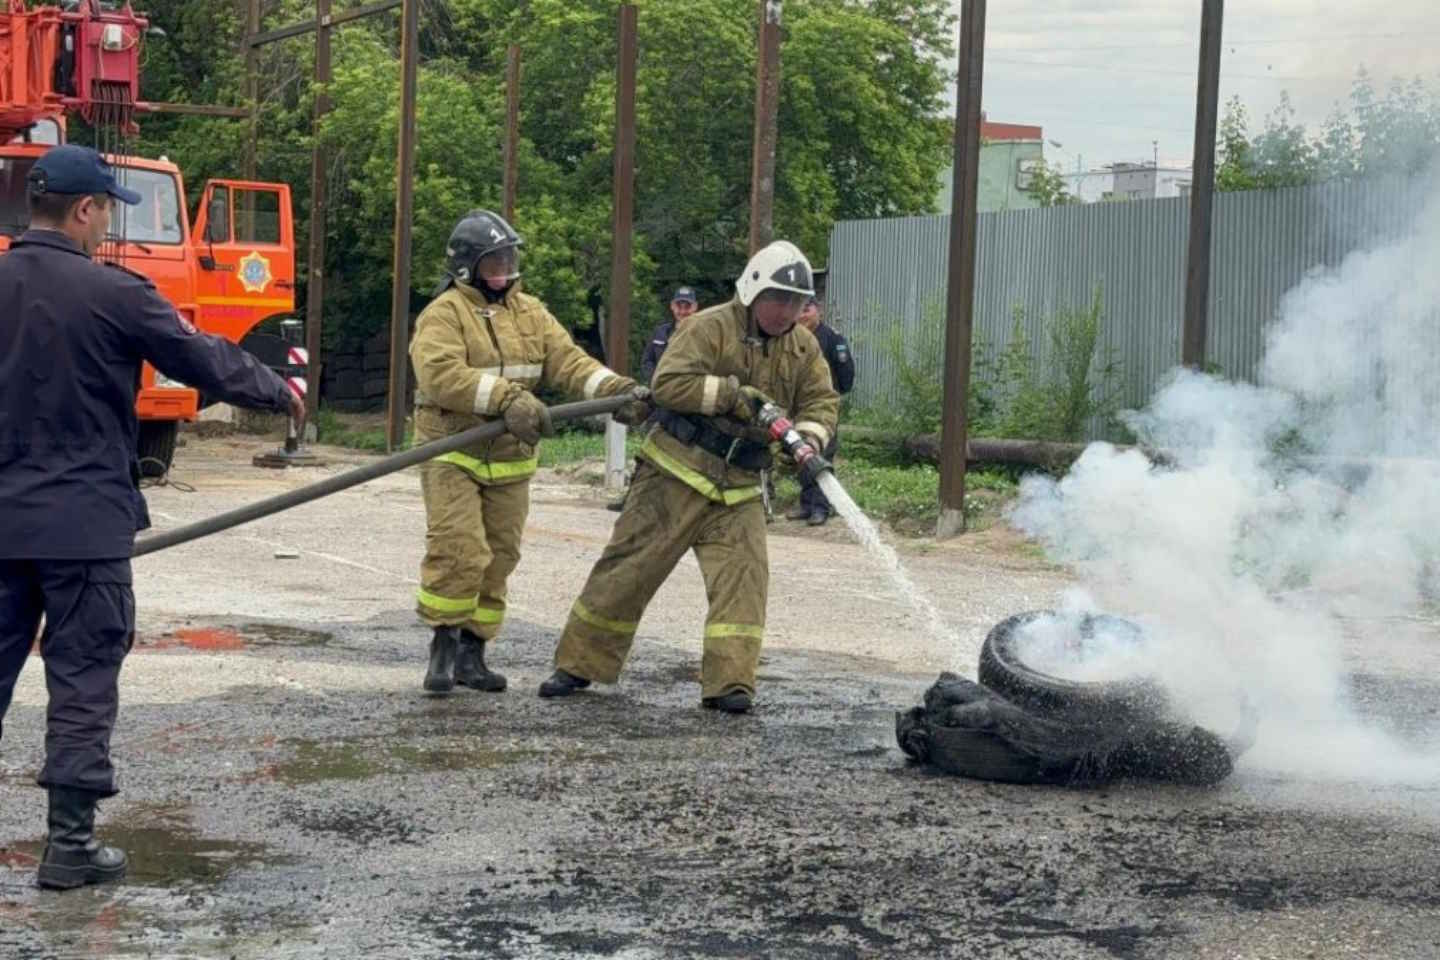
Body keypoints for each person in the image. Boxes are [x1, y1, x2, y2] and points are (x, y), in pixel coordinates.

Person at [0, 144, 304, 891]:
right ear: (83, 210)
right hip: (84, 529)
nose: (106, 224)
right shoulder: (115, 293)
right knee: (81, 681)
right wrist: (278, 390)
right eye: (105, 208)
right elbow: (200, 357)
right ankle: (69, 848)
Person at [537, 241, 839, 714]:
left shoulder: (804, 349)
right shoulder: (707, 327)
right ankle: (579, 665)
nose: (787, 311)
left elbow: (822, 403)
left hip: (739, 486)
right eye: (779, 299)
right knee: (628, 571)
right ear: (754, 290)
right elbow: (669, 384)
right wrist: (732, 396)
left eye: (797, 303)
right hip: (676, 472)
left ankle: (730, 683)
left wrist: (807, 440)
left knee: (745, 582)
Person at [408, 209, 650, 697]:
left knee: (499, 556)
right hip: (453, 450)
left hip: (511, 458)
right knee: (459, 549)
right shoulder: (443, 314)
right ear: (466, 267)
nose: (504, 269)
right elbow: (441, 375)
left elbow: (569, 362)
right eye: (493, 261)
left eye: (508, 258)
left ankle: (473, 655)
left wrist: (618, 391)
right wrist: (506, 398)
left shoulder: (531, 312)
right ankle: (444, 646)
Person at [606, 285, 701, 512]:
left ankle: (686, 507)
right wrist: (655, 384)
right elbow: (647, 361)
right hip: (659, 404)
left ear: (696, 308)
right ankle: (632, 498)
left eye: (687, 306)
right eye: (680, 305)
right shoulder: (661, 333)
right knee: (647, 453)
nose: (683, 310)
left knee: (690, 456)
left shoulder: (702, 336)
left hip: (687, 407)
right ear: (672, 306)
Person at [785, 292, 855, 525]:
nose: (803, 314)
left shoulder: (832, 338)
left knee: (822, 456)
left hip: (823, 410)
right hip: (798, 409)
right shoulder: (791, 337)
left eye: (808, 309)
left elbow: (846, 374)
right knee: (801, 455)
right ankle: (806, 504)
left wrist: (835, 397)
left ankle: (821, 508)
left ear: (819, 311)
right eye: (800, 309)